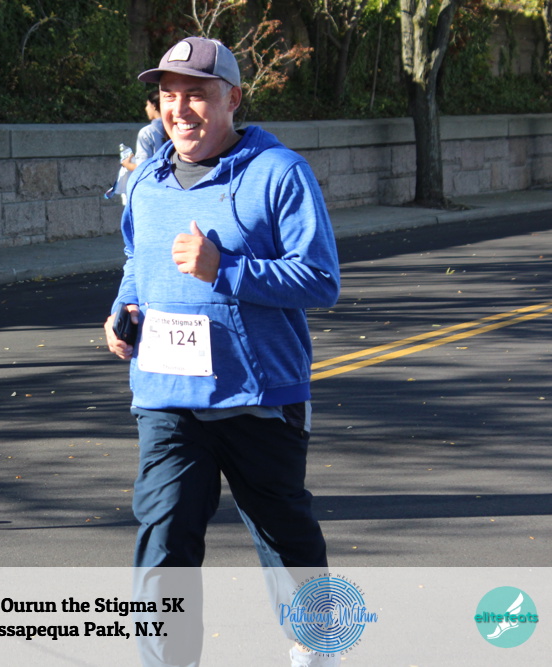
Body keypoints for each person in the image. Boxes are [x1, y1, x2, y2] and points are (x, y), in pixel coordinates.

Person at [103, 37, 341, 667]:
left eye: (197, 94)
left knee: (283, 538)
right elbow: (136, 260)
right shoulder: (146, 181)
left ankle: (317, 647)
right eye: (169, 95)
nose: (180, 109)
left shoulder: (279, 173)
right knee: (164, 540)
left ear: (233, 98)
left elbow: (321, 279)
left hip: (259, 395)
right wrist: (123, 310)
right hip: (167, 395)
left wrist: (225, 269)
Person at [121, 88, 166, 173]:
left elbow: (142, 167)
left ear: (154, 105)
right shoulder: (176, 128)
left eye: (147, 105)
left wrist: (127, 164)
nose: (146, 108)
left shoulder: (147, 132)